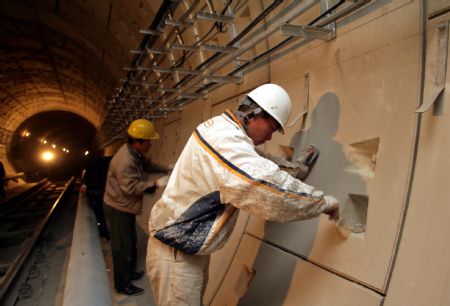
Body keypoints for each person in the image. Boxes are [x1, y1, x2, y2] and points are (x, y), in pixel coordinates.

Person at [146, 83, 340, 305]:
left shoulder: (222, 130)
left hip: (183, 248)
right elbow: (266, 188)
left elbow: (254, 160)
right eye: (274, 127)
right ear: (255, 114)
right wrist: (324, 203)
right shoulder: (225, 141)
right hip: (176, 254)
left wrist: (295, 170)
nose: (271, 137)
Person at [104, 118, 170, 296]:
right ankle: (122, 284)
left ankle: (130, 272)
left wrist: (166, 168)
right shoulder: (125, 161)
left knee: (130, 242)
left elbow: (147, 165)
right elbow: (130, 188)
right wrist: (156, 183)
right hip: (117, 208)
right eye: (148, 141)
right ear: (138, 142)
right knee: (121, 247)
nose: (151, 144)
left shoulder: (135, 153)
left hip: (125, 207)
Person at [80, 154, 112, 239]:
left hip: (94, 192)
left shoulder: (89, 166)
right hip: (103, 191)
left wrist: (84, 186)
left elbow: (85, 179)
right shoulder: (104, 163)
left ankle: (103, 232)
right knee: (105, 213)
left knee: (99, 214)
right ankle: (107, 233)